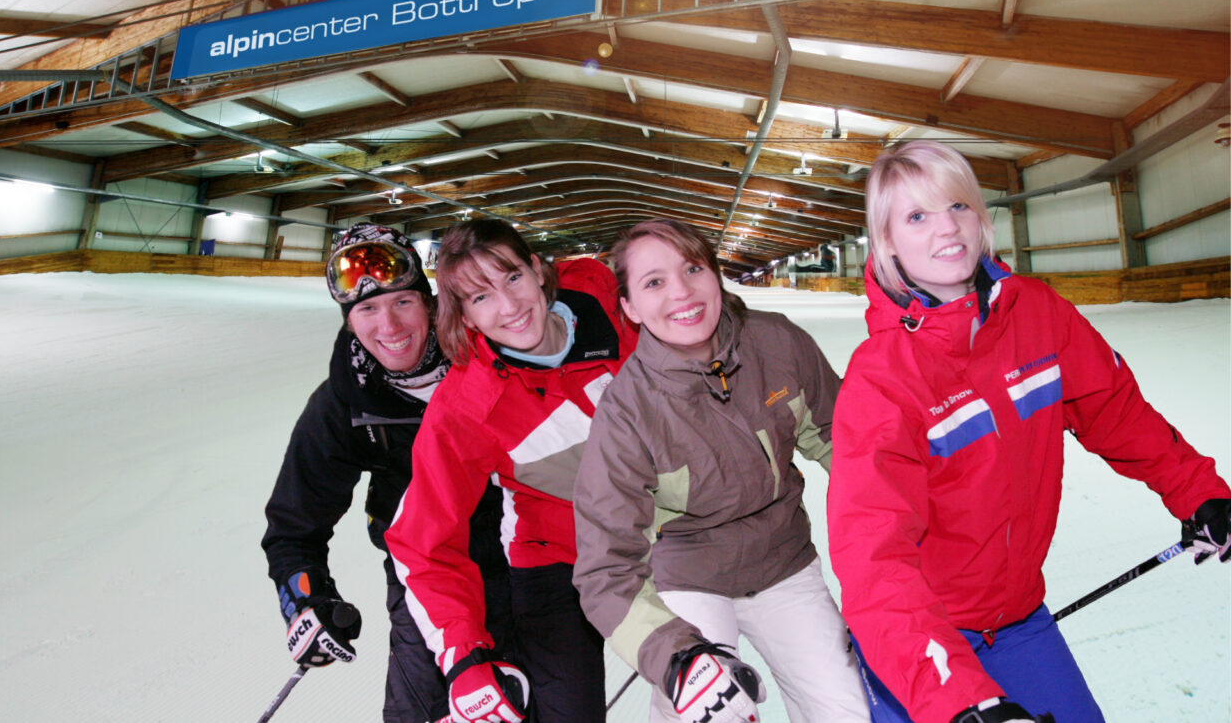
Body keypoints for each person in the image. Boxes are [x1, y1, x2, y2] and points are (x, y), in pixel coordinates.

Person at [826, 140, 1231, 723]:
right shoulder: (883, 379)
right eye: (917, 216)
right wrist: (961, 702)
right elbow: (874, 559)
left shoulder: (1037, 315)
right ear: (887, 241)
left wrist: (1200, 492)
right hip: (923, 643)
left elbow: (1114, 412)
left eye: (959, 207)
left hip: (1018, 623)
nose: (948, 230)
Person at [572, 218, 871, 723]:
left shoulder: (778, 344)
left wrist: (907, 536)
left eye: (693, 268)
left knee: (848, 710)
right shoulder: (627, 412)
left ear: (715, 273)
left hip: (783, 564)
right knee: (709, 713)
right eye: (653, 282)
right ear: (630, 308)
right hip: (689, 576)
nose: (682, 293)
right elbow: (606, 568)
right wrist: (677, 658)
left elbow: (846, 445)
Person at [384, 219, 639, 723]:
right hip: (557, 560)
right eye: (480, 298)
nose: (509, 307)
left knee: (701, 687)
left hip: (667, 538)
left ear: (539, 272)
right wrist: (464, 656)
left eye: (513, 279)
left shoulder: (607, 305)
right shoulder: (466, 405)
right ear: (465, 317)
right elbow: (422, 541)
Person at [262, 223, 513, 723]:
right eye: (367, 309)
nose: (390, 326)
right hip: (423, 574)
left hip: (529, 561)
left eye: (403, 303)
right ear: (349, 321)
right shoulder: (345, 403)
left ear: (430, 303)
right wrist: (306, 603)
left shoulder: (490, 357)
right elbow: (295, 527)